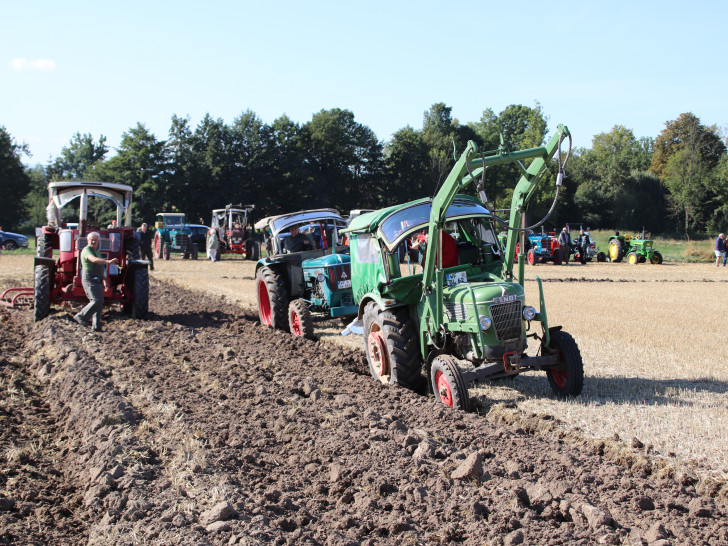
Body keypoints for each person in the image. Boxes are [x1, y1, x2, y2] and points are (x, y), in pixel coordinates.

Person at [74, 232, 117, 332]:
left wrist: (104, 280)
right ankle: (81, 316)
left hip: (97, 279)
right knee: (96, 300)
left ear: (98, 241)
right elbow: (93, 260)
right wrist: (107, 261)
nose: (93, 241)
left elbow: (100, 268)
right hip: (89, 278)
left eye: (95, 240)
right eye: (91, 240)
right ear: (88, 241)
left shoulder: (97, 252)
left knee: (99, 303)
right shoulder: (86, 251)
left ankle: (96, 326)